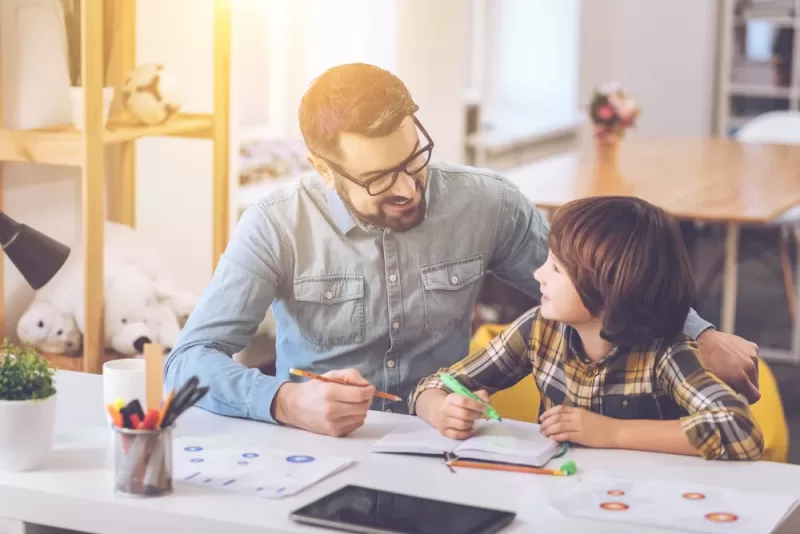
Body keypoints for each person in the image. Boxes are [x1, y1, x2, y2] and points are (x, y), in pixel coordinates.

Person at [164, 62, 761, 438]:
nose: (405, 188)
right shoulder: (274, 224)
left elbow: (598, 284)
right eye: (377, 179)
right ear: (322, 169)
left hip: (444, 444)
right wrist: (286, 401)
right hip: (319, 447)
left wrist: (702, 335)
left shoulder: (486, 203)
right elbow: (188, 358)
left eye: (412, 160)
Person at [411, 197, 764, 461]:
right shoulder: (538, 329)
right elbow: (433, 385)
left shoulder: (666, 352)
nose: (538, 275)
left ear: (609, 290)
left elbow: (740, 429)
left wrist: (613, 432)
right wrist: (441, 410)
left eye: (557, 269)